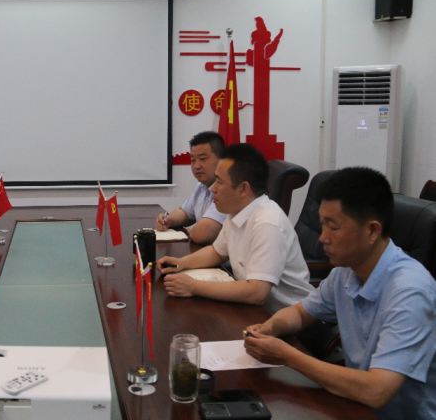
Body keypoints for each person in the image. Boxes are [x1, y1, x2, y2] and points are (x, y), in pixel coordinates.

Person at [244, 167, 436, 419]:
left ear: (372, 230)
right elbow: (301, 313)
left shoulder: (410, 292)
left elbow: (377, 391)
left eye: (333, 227)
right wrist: (270, 328)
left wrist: (288, 356)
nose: (323, 238)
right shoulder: (346, 271)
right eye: (322, 225)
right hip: (354, 404)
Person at [157, 143, 313, 313]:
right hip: (253, 311)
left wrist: (193, 286)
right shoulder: (236, 212)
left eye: (219, 181)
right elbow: (217, 252)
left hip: (290, 318)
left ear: (243, 189)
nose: (213, 189)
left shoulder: (267, 222)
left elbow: (257, 292)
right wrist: (180, 263)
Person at [156, 131, 227, 244]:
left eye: (203, 159)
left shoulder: (227, 190)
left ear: (221, 160)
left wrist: (190, 232)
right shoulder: (201, 187)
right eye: (193, 160)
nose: (196, 166)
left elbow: (201, 234)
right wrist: (168, 220)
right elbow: (185, 213)